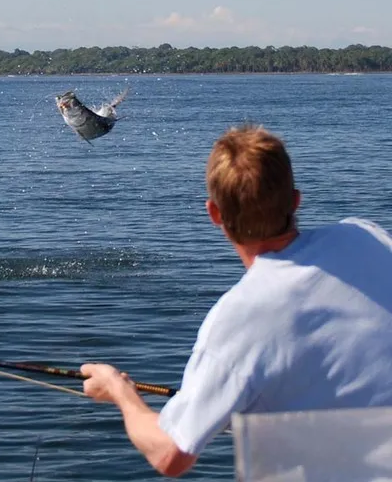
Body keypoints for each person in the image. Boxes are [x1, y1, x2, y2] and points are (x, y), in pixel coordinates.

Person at [80, 124, 392, 477]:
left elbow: (170, 454)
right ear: (295, 200)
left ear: (214, 214)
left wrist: (121, 394)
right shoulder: (365, 236)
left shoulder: (241, 317)